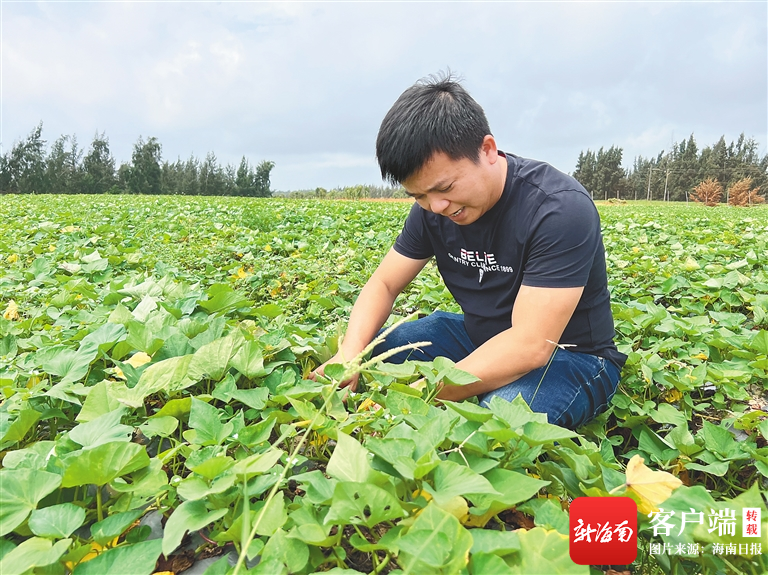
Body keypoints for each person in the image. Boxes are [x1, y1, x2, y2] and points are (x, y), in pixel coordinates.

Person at [312, 73, 626, 429]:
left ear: (488, 150)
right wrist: (349, 356)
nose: (437, 206)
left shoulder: (557, 208)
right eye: (419, 195)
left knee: (497, 419)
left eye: (444, 187)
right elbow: (384, 284)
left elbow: (530, 344)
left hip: (569, 355)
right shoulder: (432, 209)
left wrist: (424, 392)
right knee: (383, 349)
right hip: (479, 337)